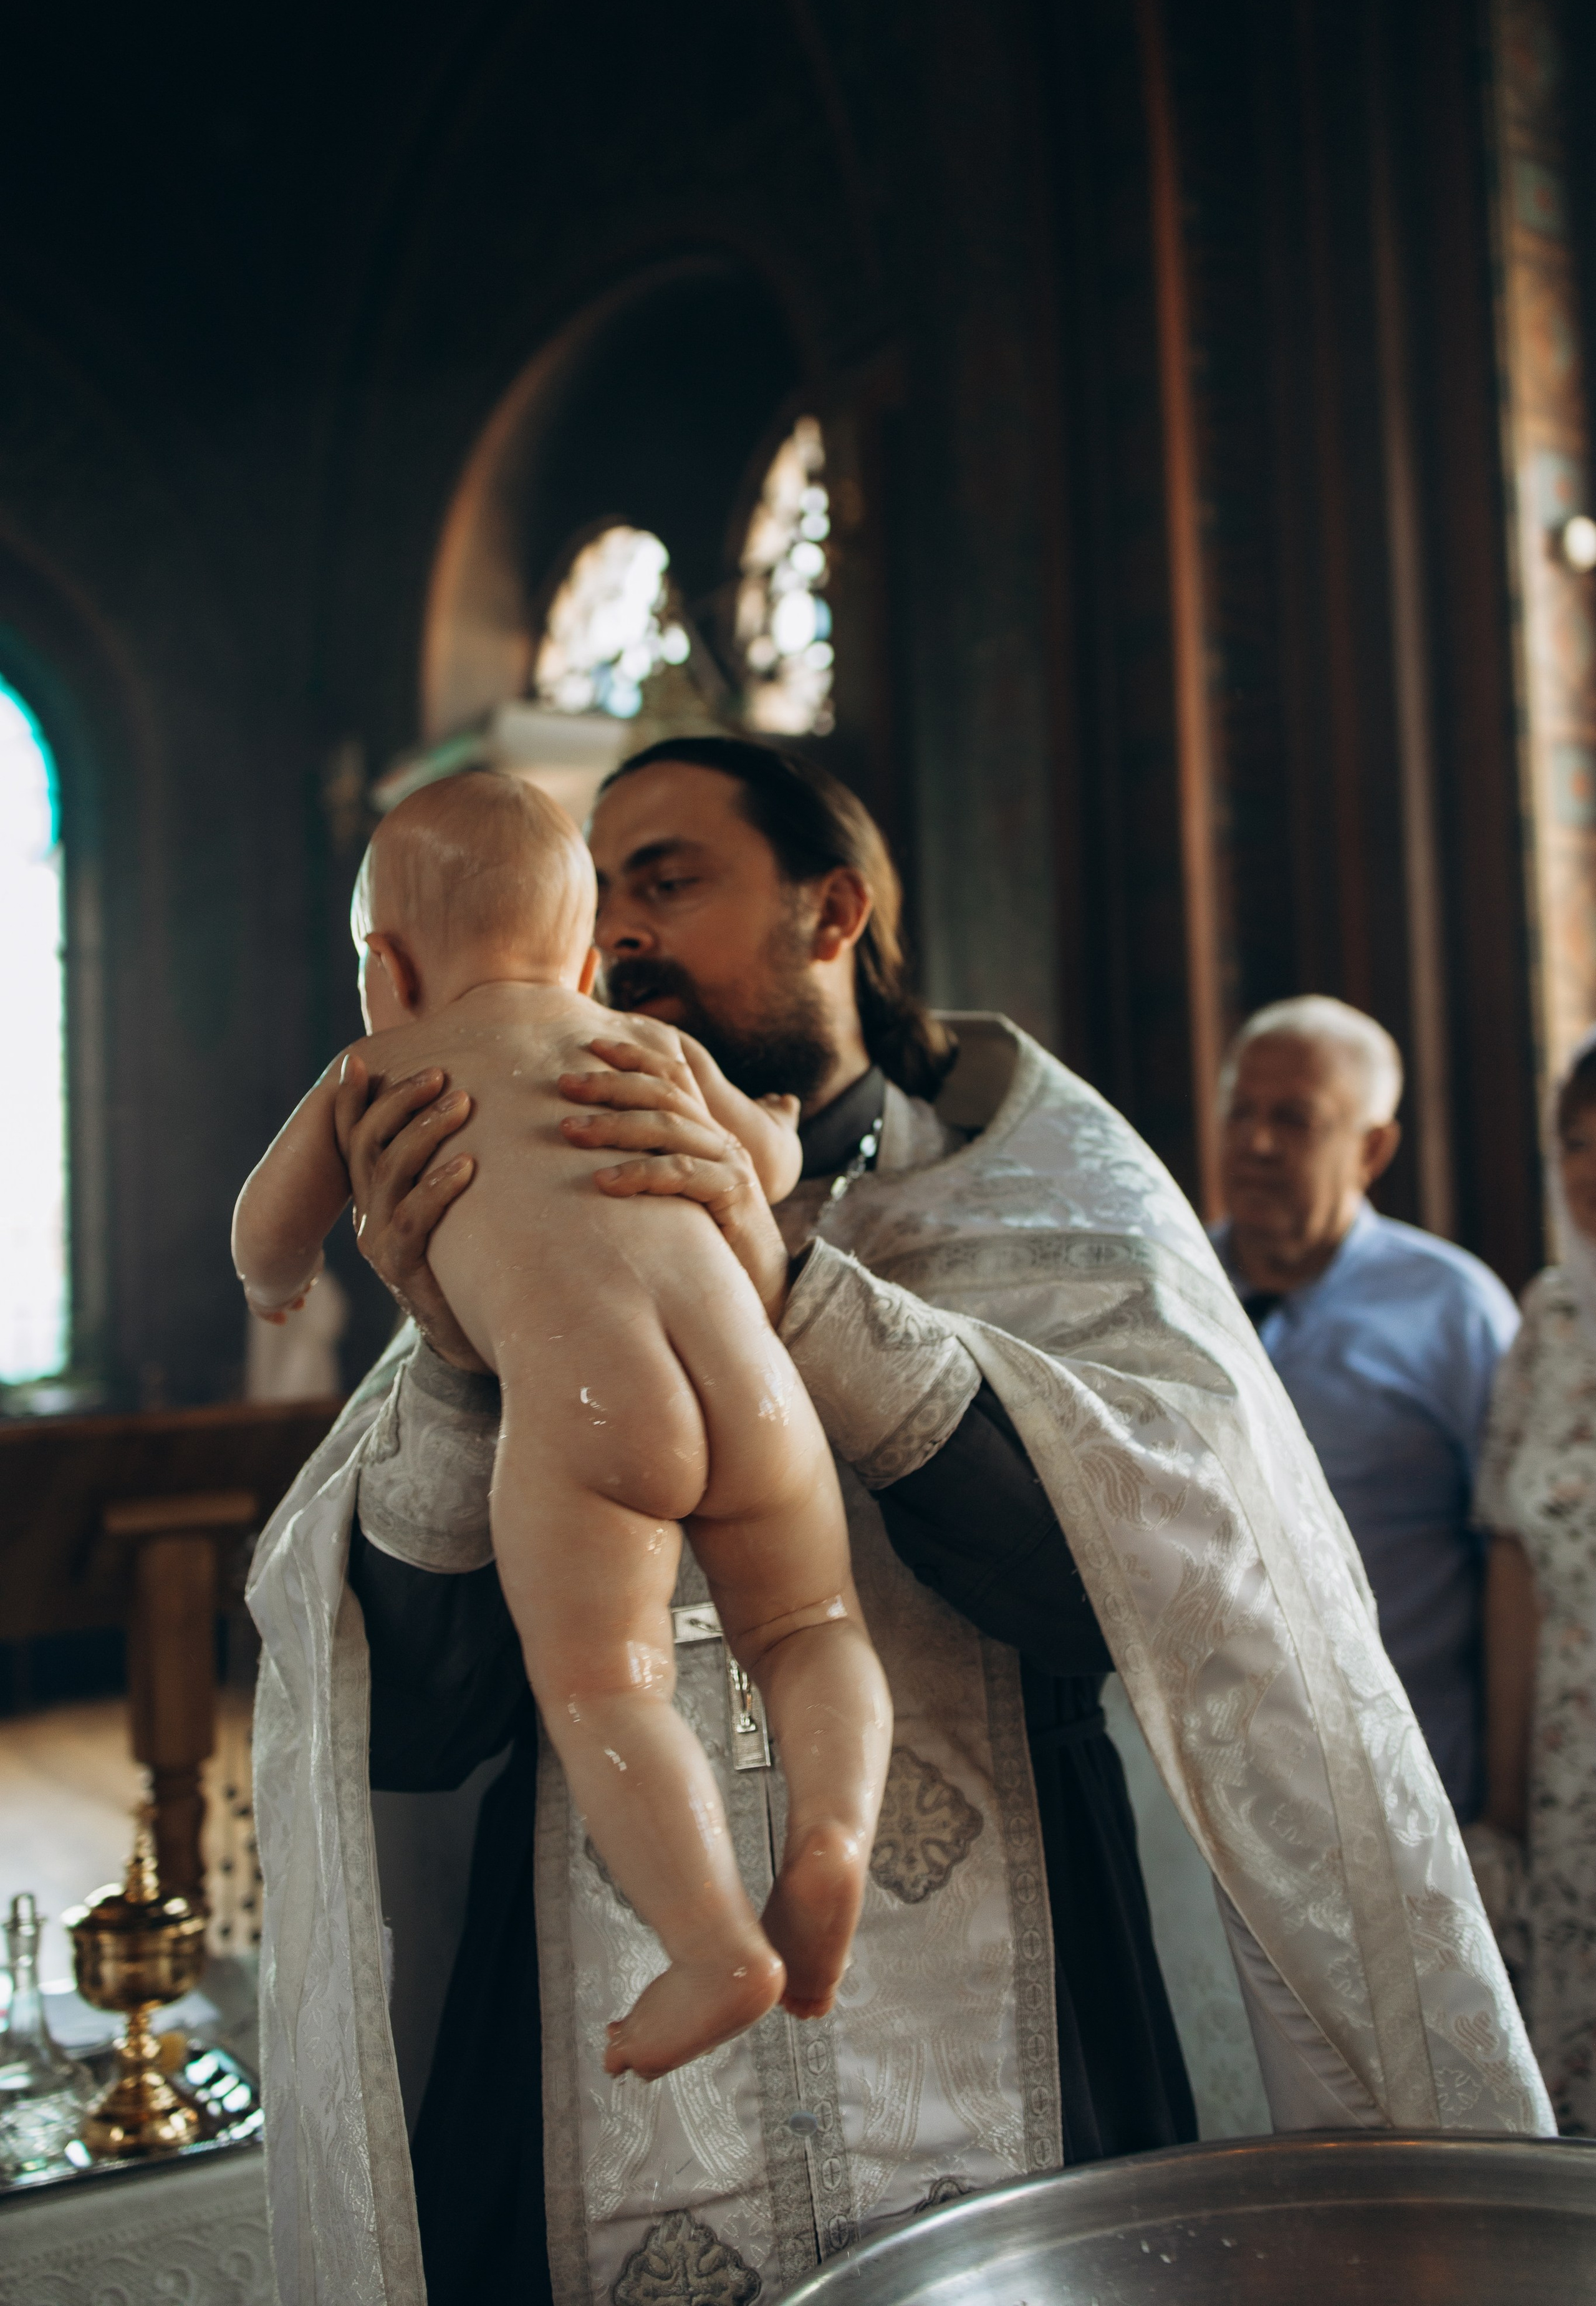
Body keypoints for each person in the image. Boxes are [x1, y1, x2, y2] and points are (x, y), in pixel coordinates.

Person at [248, 742, 1549, 2306]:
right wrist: (457, 1360)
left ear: (834, 910)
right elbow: (416, 1706)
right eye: (609, 889)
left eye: (668, 877)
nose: (627, 928)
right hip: (576, 2069)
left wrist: (796, 1291)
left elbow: (1163, 1596)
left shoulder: (1048, 1193)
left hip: (1028, 2034)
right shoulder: (502, 1180)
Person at [233, 772, 891, 2077]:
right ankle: (832, 1839)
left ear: (385, 968)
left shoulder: (376, 1069)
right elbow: (766, 1166)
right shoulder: (641, 1050)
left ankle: (713, 1945)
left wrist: (275, 1283)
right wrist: (757, 1135)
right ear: (587, 957)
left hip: (590, 1415)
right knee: (815, 1626)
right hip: (750, 1386)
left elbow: (265, 1227)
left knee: (605, 1681)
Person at [1212, 996, 1520, 1821]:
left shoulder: (1453, 1310)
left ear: (1373, 1147)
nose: (1257, 1143)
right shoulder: (1168, 1292)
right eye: (1241, 1113)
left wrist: (1508, 1802)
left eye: (1295, 1120)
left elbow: (1517, 1560)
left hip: (1415, 1787)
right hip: (1211, 1790)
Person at [1475, 1031, 1596, 2133]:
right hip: (1573, 1773)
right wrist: (1507, 1801)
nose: (1591, 1170)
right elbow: (1509, 1558)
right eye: (1575, 1144)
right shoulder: (1548, 1320)